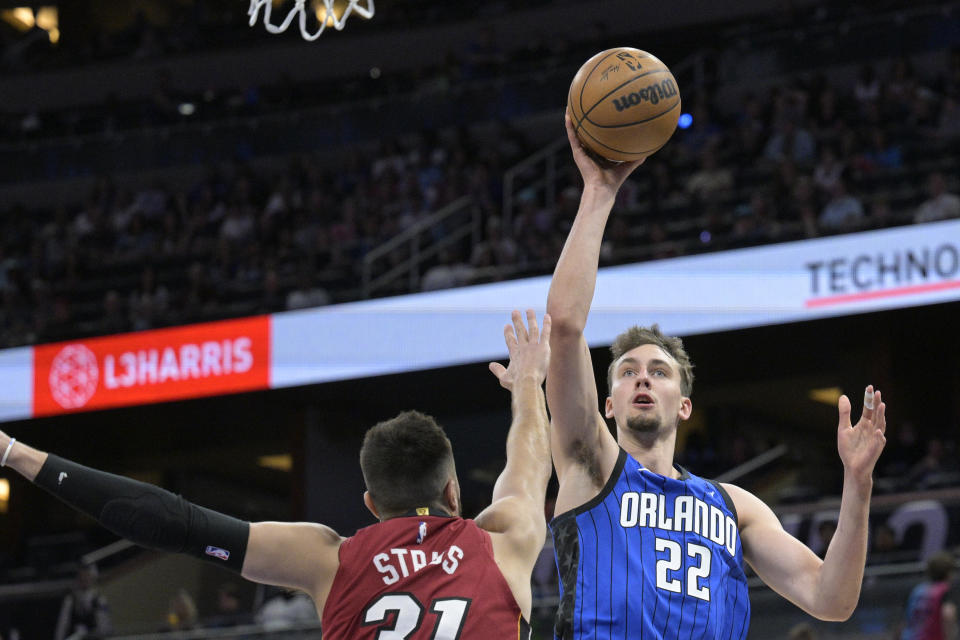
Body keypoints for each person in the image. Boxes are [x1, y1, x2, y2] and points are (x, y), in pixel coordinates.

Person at [0, 309, 552, 639]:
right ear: (453, 490)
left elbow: (176, 523)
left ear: (370, 504)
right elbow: (530, 459)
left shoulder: (329, 558)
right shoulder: (504, 544)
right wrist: (527, 384)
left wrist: (15, 454)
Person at [542, 114, 888, 640]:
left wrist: (858, 483)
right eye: (628, 372)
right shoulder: (589, 466)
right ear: (607, 403)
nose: (642, 379)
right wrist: (599, 191)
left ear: (684, 404)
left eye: (658, 372)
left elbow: (831, 599)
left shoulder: (733, 506)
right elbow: (565, 328)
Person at [900, 551, 957, 640]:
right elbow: (948, 615)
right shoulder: (943, 590)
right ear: (949, 574)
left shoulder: (917, 591)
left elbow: (906, 618)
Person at [54, 562, 112, 640]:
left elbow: (104, 627)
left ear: (92, 578)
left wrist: (89, 634)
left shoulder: (99, 600)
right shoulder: (70, 599)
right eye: (81, 576)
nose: (84, 579)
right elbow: (62, 625)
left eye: (87, 576)